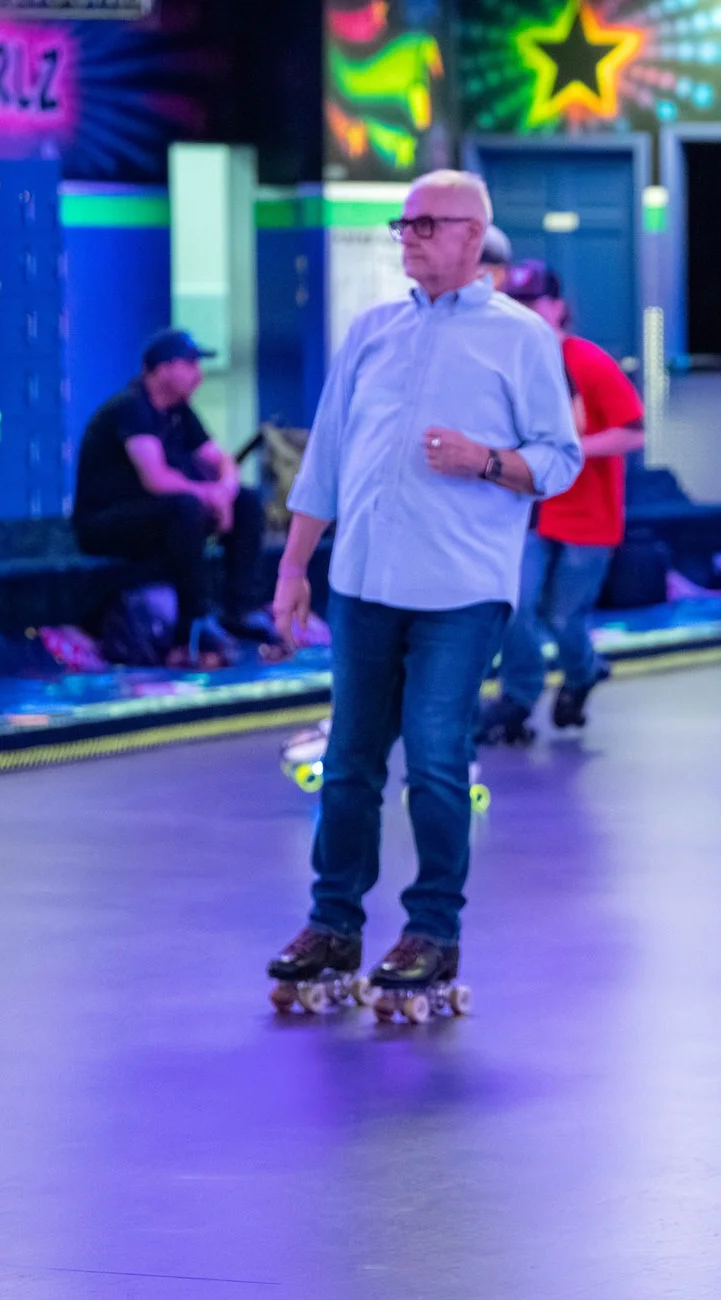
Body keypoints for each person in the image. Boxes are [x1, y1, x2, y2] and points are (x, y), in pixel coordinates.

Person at [264, 169, 582, 1011]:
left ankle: (431, 931)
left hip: (460, 588)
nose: (407, 238)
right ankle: (332, 922)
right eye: (401, 225)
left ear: (473, 237)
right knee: (347, 763)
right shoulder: (371, 331)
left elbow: (560, 459)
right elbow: (325, 459)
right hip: (362, 581)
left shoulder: (521, 339)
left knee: (437, 761)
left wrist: (482, 458)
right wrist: (296, 568)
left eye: (424, 225)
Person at [479, 260, 645, 741]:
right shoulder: (509, 364)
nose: (525, 312)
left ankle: (581, 672)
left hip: (587, 515)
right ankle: (518, 695)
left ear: (557, 308)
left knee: (562, 617)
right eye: (516, 303)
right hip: (530, 511)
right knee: (514, 604)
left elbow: (633, 433)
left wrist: (568, 453)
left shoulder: (587, 361)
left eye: (533, 302)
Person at [72, 329, 271, 665]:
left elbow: (220, 459)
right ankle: (193, 622)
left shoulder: (181, 412)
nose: (199, 374)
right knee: (186, 507)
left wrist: (224, 490)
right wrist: (212, 496)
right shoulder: (131, 408)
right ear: (162, 370)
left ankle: (240, 609)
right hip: (105, 523)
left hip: (157, 516)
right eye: (190, 364)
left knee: (246, 502)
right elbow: (157, 480)